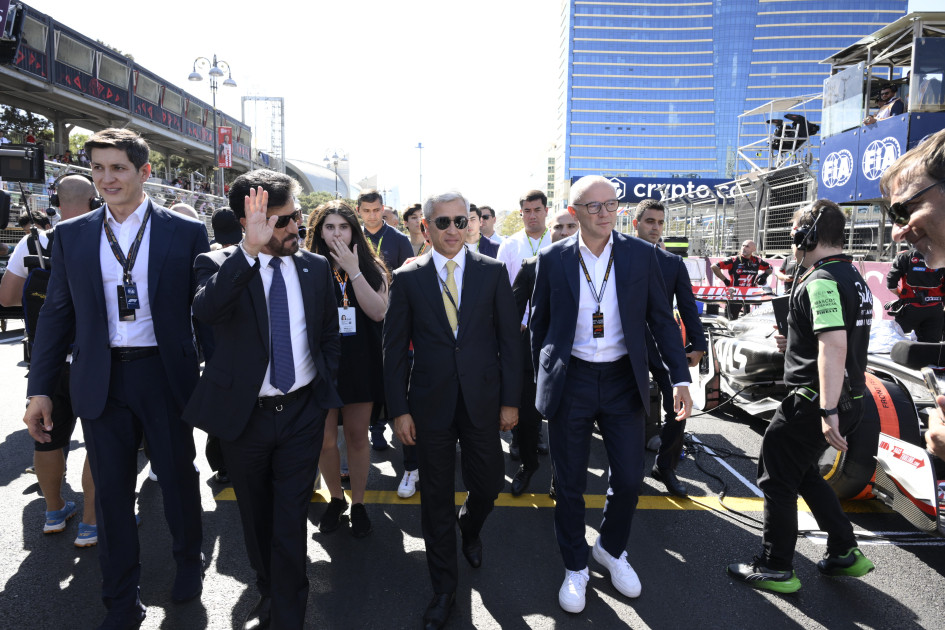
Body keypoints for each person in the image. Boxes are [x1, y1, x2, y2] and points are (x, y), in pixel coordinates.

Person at [22, 128, 208, 628]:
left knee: (177, 478)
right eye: (98, 168)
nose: (107, 178)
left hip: (164, 374)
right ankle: (121, 598)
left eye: (118, 168)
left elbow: (206, 311)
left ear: (144, 172)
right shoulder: (72, 235)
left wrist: (222, 381)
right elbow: (56, 315)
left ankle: (188, 561)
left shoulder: (185, 231)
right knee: (110, 491)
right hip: (100, 377)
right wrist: (40, 389)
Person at [183, 170, 341, 630]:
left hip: (302, 413)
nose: (295, 227)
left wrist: (321, 395)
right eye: (282, 220)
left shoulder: (314, 267)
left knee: (289, 519)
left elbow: (329, 336)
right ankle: (269, 588)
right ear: (248, 221)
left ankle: (289, 613)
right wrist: (248, 252)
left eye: (297, 216)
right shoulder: (216, 264)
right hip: (244, 418)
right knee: (255, 517)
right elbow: (207, 311)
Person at [530, 175, 691, 614]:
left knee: (629, 478)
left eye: (611, 204)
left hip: (623, 379)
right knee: (569, 483)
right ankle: (575, 565)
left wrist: (680, 378)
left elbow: (662, 320)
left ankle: (610, 549)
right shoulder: (553, 258)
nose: (605, 213)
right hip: (573, 379)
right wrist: (543, 377)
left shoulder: (640, 254)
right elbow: (540, 325)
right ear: (574, 212)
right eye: (594, 206)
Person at [383, 190, 521, 630]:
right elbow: (393, 352)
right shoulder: (407, 278)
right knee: (435, 500)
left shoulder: (492, 272)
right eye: (442, 222)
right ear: (426, 227)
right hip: (430, 405)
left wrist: (511, 401)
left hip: (482, 402)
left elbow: (510, 343)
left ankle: (471, 526)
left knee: (489, 485)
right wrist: (398, 410)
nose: (453, 229)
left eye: (461, 221)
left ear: (471, 224)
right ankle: (444, 590)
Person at [728, 200, 875, 593]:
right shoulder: (852, 276)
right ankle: (844, 550)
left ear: (805, 236)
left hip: (816, 400)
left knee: (776, 474)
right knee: (803, 471)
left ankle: (776, 566)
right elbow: (832, 336)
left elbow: (834, 345)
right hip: (851, 396)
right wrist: (794, 340)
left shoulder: (821, 280)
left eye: (795, 232)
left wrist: (827, 410)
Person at [0, 174, 99, 547]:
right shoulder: (102, 239)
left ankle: (54, 511)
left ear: (55, 203)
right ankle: (91, 523)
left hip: (47, 360)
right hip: (95, 359)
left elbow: (8, 298)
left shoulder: (31, 242)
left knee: (46, 439)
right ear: (94, 202)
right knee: (100, 442)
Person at [305, 200, 389, 537]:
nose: (337, 234)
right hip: (321, 364)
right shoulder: (306, 267)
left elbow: (378, 312)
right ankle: (336, 499)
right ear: (319, 232)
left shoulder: (373, 268)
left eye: (343, 227)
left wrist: (354, 270)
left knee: (357, 436)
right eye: (329, 227)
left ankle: (359, 503)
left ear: (355, 230)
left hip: (361, 362)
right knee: (325, 440)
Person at [631, 199, 706, 497]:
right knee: (629, 408)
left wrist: (698, 344)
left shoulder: (673, 263)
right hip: (627, 345)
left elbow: (688, 306)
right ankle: (628, 471)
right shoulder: (617, 256)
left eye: (660, 223)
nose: (656, 228)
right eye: (650, 221)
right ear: (636, 223)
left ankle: (665, 466)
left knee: (678, 407)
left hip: (665, 344)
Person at [881, 129, 945, 458]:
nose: (897, 231)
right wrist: (906, 298)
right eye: (894, 216)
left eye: (907, 208)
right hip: (915, 310)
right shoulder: (908, 258)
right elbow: (891, 282)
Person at [508, 210, 579, 496]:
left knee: (569, 425)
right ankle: (528, 465)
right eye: (558, 227)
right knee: (528, 422)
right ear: (549, 231)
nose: (564, 232)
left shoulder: (594, 268)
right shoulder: (531, 266)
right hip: (534, 358)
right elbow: (511, 314)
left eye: (571, 226)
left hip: (576, 359)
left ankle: (558, 476)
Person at [497, 190, 554, 469]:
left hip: (550, 327)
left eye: (537, 210)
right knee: (520, 384)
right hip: (520, 327)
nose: (532, 215)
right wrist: (511, 322)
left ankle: (537, 432)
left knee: (543, 382)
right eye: (527, 211)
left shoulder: (557, 241)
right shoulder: (510, 245)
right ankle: (518, 438)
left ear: (546, 211)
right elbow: (502, 288)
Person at [358, 188, 412, 450]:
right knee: (368, 372)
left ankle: (392, 420)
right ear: (358, 211)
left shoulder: (399, 239)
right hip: (359, 315)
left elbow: (408, 279)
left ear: (383, 209)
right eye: (366, 211)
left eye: (376, 210)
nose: (372, 215)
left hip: (392, 316)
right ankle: (375, 427)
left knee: (392, 370)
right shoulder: (352, 236)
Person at [885, 248, 945, 342]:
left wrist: (901, 295)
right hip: (935, 309)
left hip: (910, 308)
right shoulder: (942, 256)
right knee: (931, 346)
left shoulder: (904, 255)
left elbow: (891, 285)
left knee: (898, 344)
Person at [711, 239, 772, 319]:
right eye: (743, 246)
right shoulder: (733, 260)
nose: (744, 248)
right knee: (730, 320)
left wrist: (764, 276)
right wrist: (725, 280)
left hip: (748, 295)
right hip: (734, 295)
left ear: (754, 249)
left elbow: (770, 268)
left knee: (746, 321)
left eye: (747, 246)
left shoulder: (757, 260)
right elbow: (714, 266)